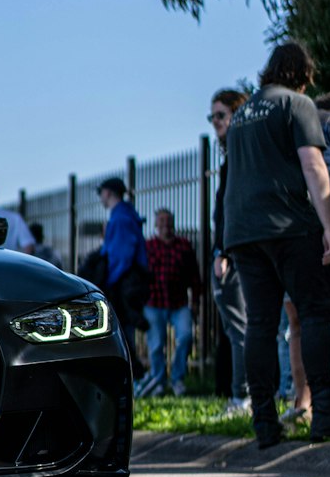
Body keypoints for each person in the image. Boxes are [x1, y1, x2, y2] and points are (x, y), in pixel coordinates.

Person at [222, 40, 330, 448]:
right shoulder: (297, 105)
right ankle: (324, 416)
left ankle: (265, 423)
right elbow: (312, 164)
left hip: (244, 231)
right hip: (290, 224)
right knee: (317, 313)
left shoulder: (243, 114)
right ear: (302, 74)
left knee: (260, 325)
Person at [208, 88, 251, 412]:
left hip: (232, 251)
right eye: (212, 117)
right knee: (240, 328)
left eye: (221, 115)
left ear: (237, 115)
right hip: (230, 249)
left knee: (240, 329)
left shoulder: (240, 153)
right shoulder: (235, 153)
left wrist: (223, 251)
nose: (215, 122)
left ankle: (242, 396)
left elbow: (232, 207)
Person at [135, 208, 202, 397]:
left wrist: (195, 301)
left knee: (186, 337)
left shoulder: (184, 246)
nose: (165, 225)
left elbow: (194, 276)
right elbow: (140, 276)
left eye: (168, 221)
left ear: (173, 223)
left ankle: (177, 378)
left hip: (179, 303)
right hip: (153, 303)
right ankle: (158, 381)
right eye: (161, 221)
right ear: (156, 225)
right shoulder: (148, 247)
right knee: (155, 345)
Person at [97, 177, 149, 368]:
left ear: (108, 192)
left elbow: (121, 256)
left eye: (101, 193)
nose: (101, 197)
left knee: (123, 332)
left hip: (122, 283)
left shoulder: (120, 218)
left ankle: (131, 373)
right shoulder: (127, 215)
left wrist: (109, 282)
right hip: (129, 281)